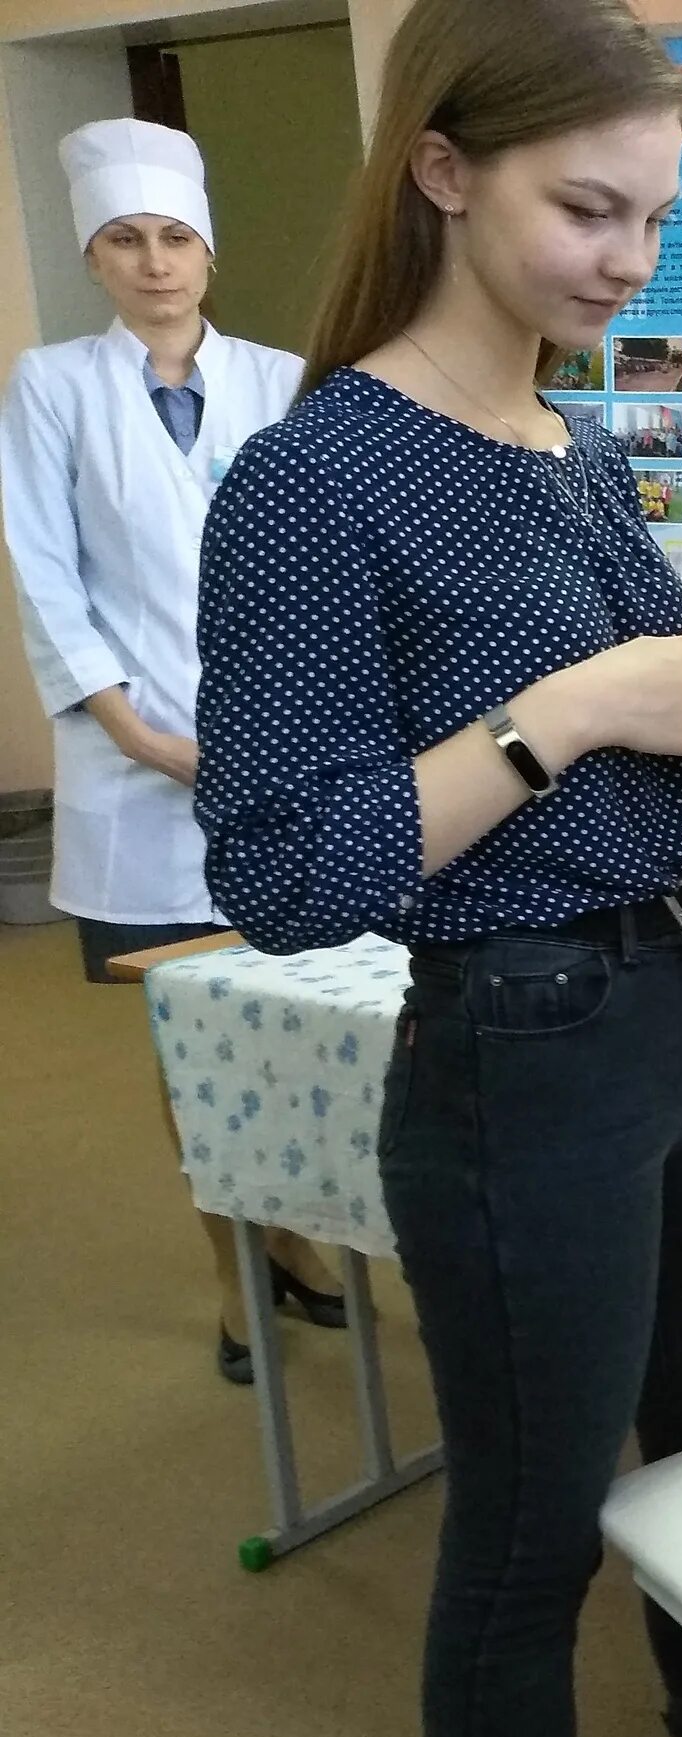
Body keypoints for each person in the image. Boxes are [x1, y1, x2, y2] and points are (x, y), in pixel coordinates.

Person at [187, 3, 682, 1737]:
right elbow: (292, 866)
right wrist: (567, 712)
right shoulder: (314, 481)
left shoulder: (564, 439)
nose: (627, 262)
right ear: (442, 167)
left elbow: (593, 735)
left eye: (651, 220)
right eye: (590, 210)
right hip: (527, 1051)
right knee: (529, 1546)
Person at [0, 118, 337, 1385]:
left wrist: (291, 727)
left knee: (304, 1023)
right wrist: (136, 729)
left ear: (210, 248)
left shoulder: (285, 376)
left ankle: (304, 1241)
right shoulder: (51, 386)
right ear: (96, 256)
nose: (155, 264)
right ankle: (234, 1274)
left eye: (175, 237)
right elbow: (43, 572)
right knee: (191, 1040)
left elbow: (319, 566)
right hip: (133, 764)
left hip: (286, 759)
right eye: (126, 241)